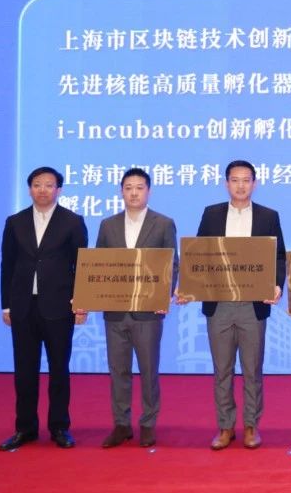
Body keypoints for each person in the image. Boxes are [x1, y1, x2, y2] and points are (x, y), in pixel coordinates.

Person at [193, 160, 286, 450]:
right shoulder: (211, 214)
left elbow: (279, 256)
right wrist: (191, 286)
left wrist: (276, 285)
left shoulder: (268, 216)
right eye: (235, 180)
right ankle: (225, 427)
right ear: (226, 183)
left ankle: (250, 426)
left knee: (252, 369)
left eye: (246, 180)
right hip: (219, 303)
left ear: (254, 184)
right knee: (222, 369)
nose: (241, 185)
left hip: (252, 304)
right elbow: (199, 255)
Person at [0, 167, 88, 451]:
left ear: (58, 190)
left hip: (59, 307)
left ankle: (59, 427)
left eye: (49, 185)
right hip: (23, 306)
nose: (43, 190)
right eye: (37, 184)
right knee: (24, 370)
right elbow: (7, 265)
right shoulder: (15, 222)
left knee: (59, 369)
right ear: (29, 189)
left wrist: (81, 302)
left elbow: (82, 266)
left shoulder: (72, 221)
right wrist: (6, 305)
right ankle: (25, 428)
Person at [95, 168, 178, 449]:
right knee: (118, 370)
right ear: (121, 191)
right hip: (115, 311)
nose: (134, 193)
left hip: (147, 312)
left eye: (139, 188)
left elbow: (172, 265)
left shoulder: (163, 223)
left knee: (148, 370)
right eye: (128, 187)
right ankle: (121, 424)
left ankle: (148, 423)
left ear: (148, 191)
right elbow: (98, 266)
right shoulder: (108, 225)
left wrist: (163, 297)